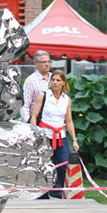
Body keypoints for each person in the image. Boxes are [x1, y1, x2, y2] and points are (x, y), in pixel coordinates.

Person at [30, 70, 79, 198]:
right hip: (44, 134)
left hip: (60, 135)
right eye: (53, 80)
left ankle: (57, 191)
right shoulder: (43, 95)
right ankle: (42, 193)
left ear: (63, 83)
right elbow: (34, 115)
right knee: (43, 165)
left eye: (58, 80)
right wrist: (35, 134)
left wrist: (74, 139)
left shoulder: (66, 100)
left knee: (63, 164)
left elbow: (68, 121)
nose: (55, 83)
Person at [20, 50, 51, 122]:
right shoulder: (30, 81)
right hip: (38, 121)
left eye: (48, 61)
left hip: (53, 122)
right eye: (44, 62)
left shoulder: (54, 78)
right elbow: (25, 105)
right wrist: (28, 122)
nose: (47, 64)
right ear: (36, 64)